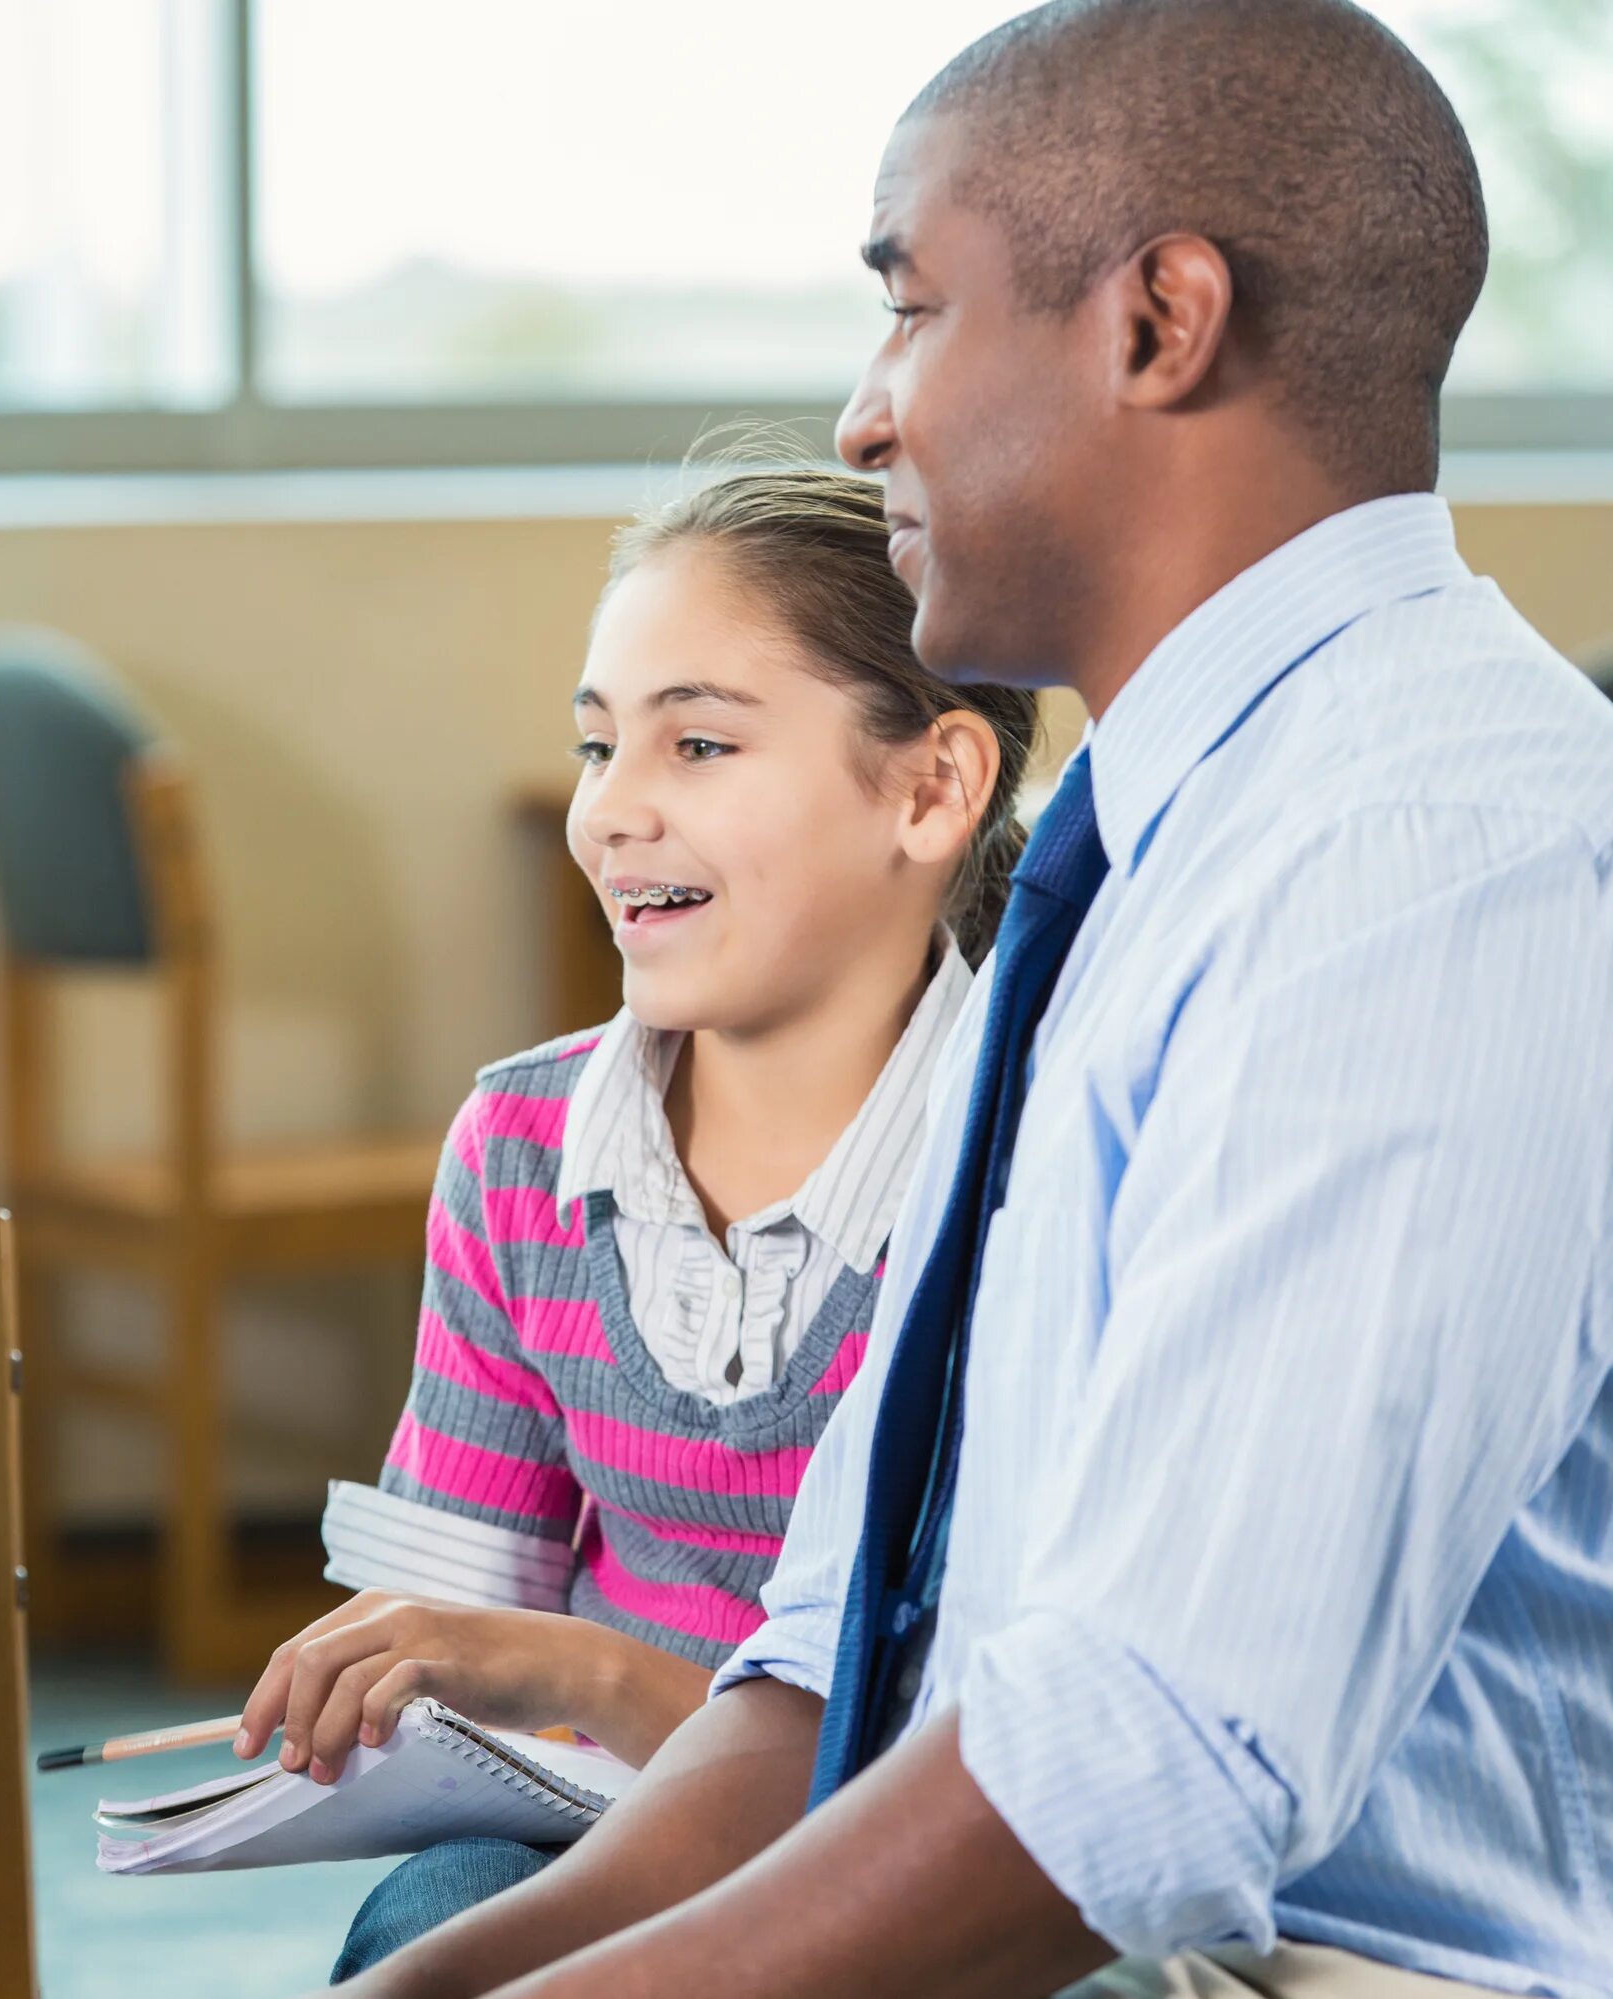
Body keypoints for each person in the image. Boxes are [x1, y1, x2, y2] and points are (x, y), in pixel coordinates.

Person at [324, 3, 1613, 1996]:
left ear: (1158, 322)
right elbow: (847, 1656)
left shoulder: (1424, 853)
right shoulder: (1150, 842)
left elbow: (1149, 1770)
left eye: (912, 310)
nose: (863, 415)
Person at [234, 467, 1040, 1979]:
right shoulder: (523, 1143)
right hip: (593, 1815)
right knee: (434, 1915)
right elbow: (459, 1641)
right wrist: (422, 1676)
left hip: (922, 1845)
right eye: (599, 743)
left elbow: (971, 1759)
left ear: (932, 789)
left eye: (701, 742)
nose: (611, 811)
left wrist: (583, 1667)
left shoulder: (1035, 1166)